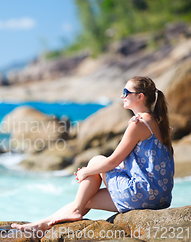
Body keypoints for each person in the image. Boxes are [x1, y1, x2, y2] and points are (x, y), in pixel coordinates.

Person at [12, 76, 175, 233]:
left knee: (96, 160)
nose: (121, 95)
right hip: (159, 198)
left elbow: (112, 161)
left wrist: (86, 171)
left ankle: (74, 210)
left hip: (142, 193)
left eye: (126, 92)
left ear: (140, 96)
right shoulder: (157, 122)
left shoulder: (138, 124)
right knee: (86, 199)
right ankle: (42, 224)